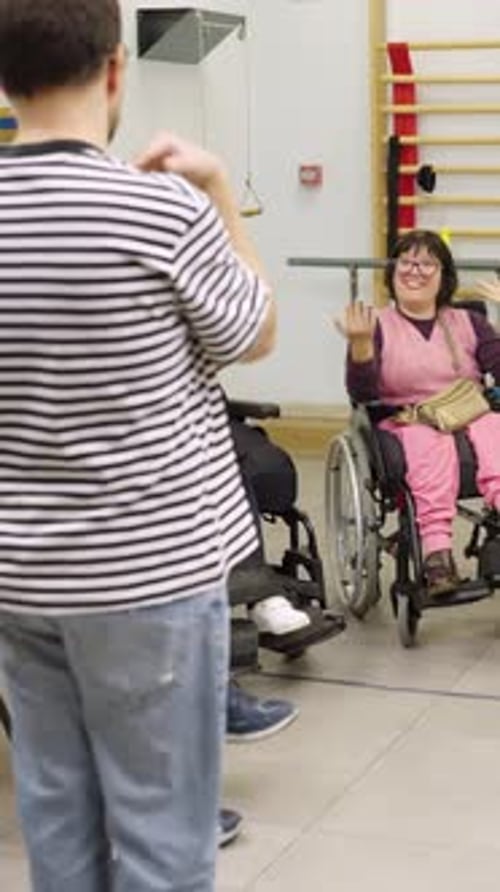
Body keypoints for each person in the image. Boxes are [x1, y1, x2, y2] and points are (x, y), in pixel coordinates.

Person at [0, 2, 276, 890]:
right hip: (149, 578)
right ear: (117, 70)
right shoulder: (159, 210)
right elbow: (255, 332)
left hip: (23, 577)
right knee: (163, 842)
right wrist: (219, 190)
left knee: (57, 824)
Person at [337, 229, 500, 597]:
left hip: (469, 411)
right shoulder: (375, 324)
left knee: (496, 427)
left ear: (444, 276)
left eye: (427, 263)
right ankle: (437, 555)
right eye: (407, 262)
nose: (415, 270)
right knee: (429, 443)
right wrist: (361, 346)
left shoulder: (469, 322)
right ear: (393, 273)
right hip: (408, 419)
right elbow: (363, 394)